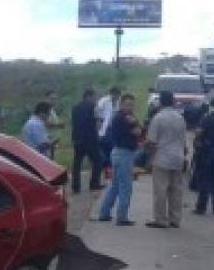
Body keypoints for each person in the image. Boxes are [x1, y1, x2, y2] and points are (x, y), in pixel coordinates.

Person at [144, 91, 188, 228]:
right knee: (176, 190)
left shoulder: (158, 118)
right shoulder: (180, 118)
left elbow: (151, 141)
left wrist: (149, 159)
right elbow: (183, 140)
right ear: (173, 102)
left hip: (162, 157)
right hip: (178, 157)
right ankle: (175, 219)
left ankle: (161, 220)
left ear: (161, 102)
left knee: (161, 190)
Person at [96, 93, 141, 226]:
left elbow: (139, 130)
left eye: (132, 105)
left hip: (119, 153)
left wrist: (136, 127)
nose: (130, 107)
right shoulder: (122, 118)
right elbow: (138, 132)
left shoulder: (122, 117)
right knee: (125, 186)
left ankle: (104, 213)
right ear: (121, 104)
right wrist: (135, 126)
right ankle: (122, 217)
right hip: (123, 154)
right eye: (127, 104)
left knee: (115, 185)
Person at [69, 88, 103, 193]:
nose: (95, 99)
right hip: (90, 138)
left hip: (78, 139)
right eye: (94, 97)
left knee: (77, 163)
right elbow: (96, 121)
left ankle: (76, 186)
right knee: (97, 161)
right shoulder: (93, 107)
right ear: (89, 96)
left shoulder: (75, 108)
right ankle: (94, 184)